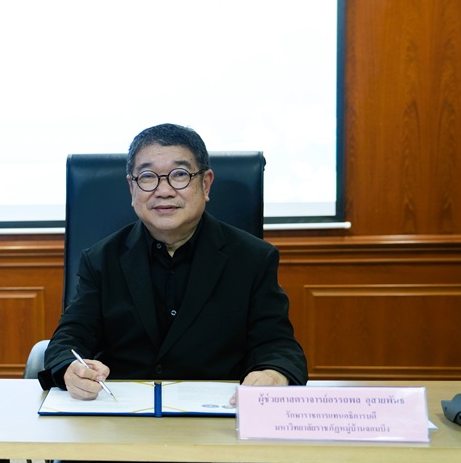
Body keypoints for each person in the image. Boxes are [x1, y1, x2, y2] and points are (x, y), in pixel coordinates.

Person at [38, 123, 307, 400]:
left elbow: (277, 344)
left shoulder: (253, 258)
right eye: (147, 176)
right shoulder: (101, 259)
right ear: (132, 188)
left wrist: (274, 373)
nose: (164, 191)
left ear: (206, 184)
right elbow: (70, 338)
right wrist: (70, 368)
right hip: (123, 410)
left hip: (217, 412)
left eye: (179, 175)